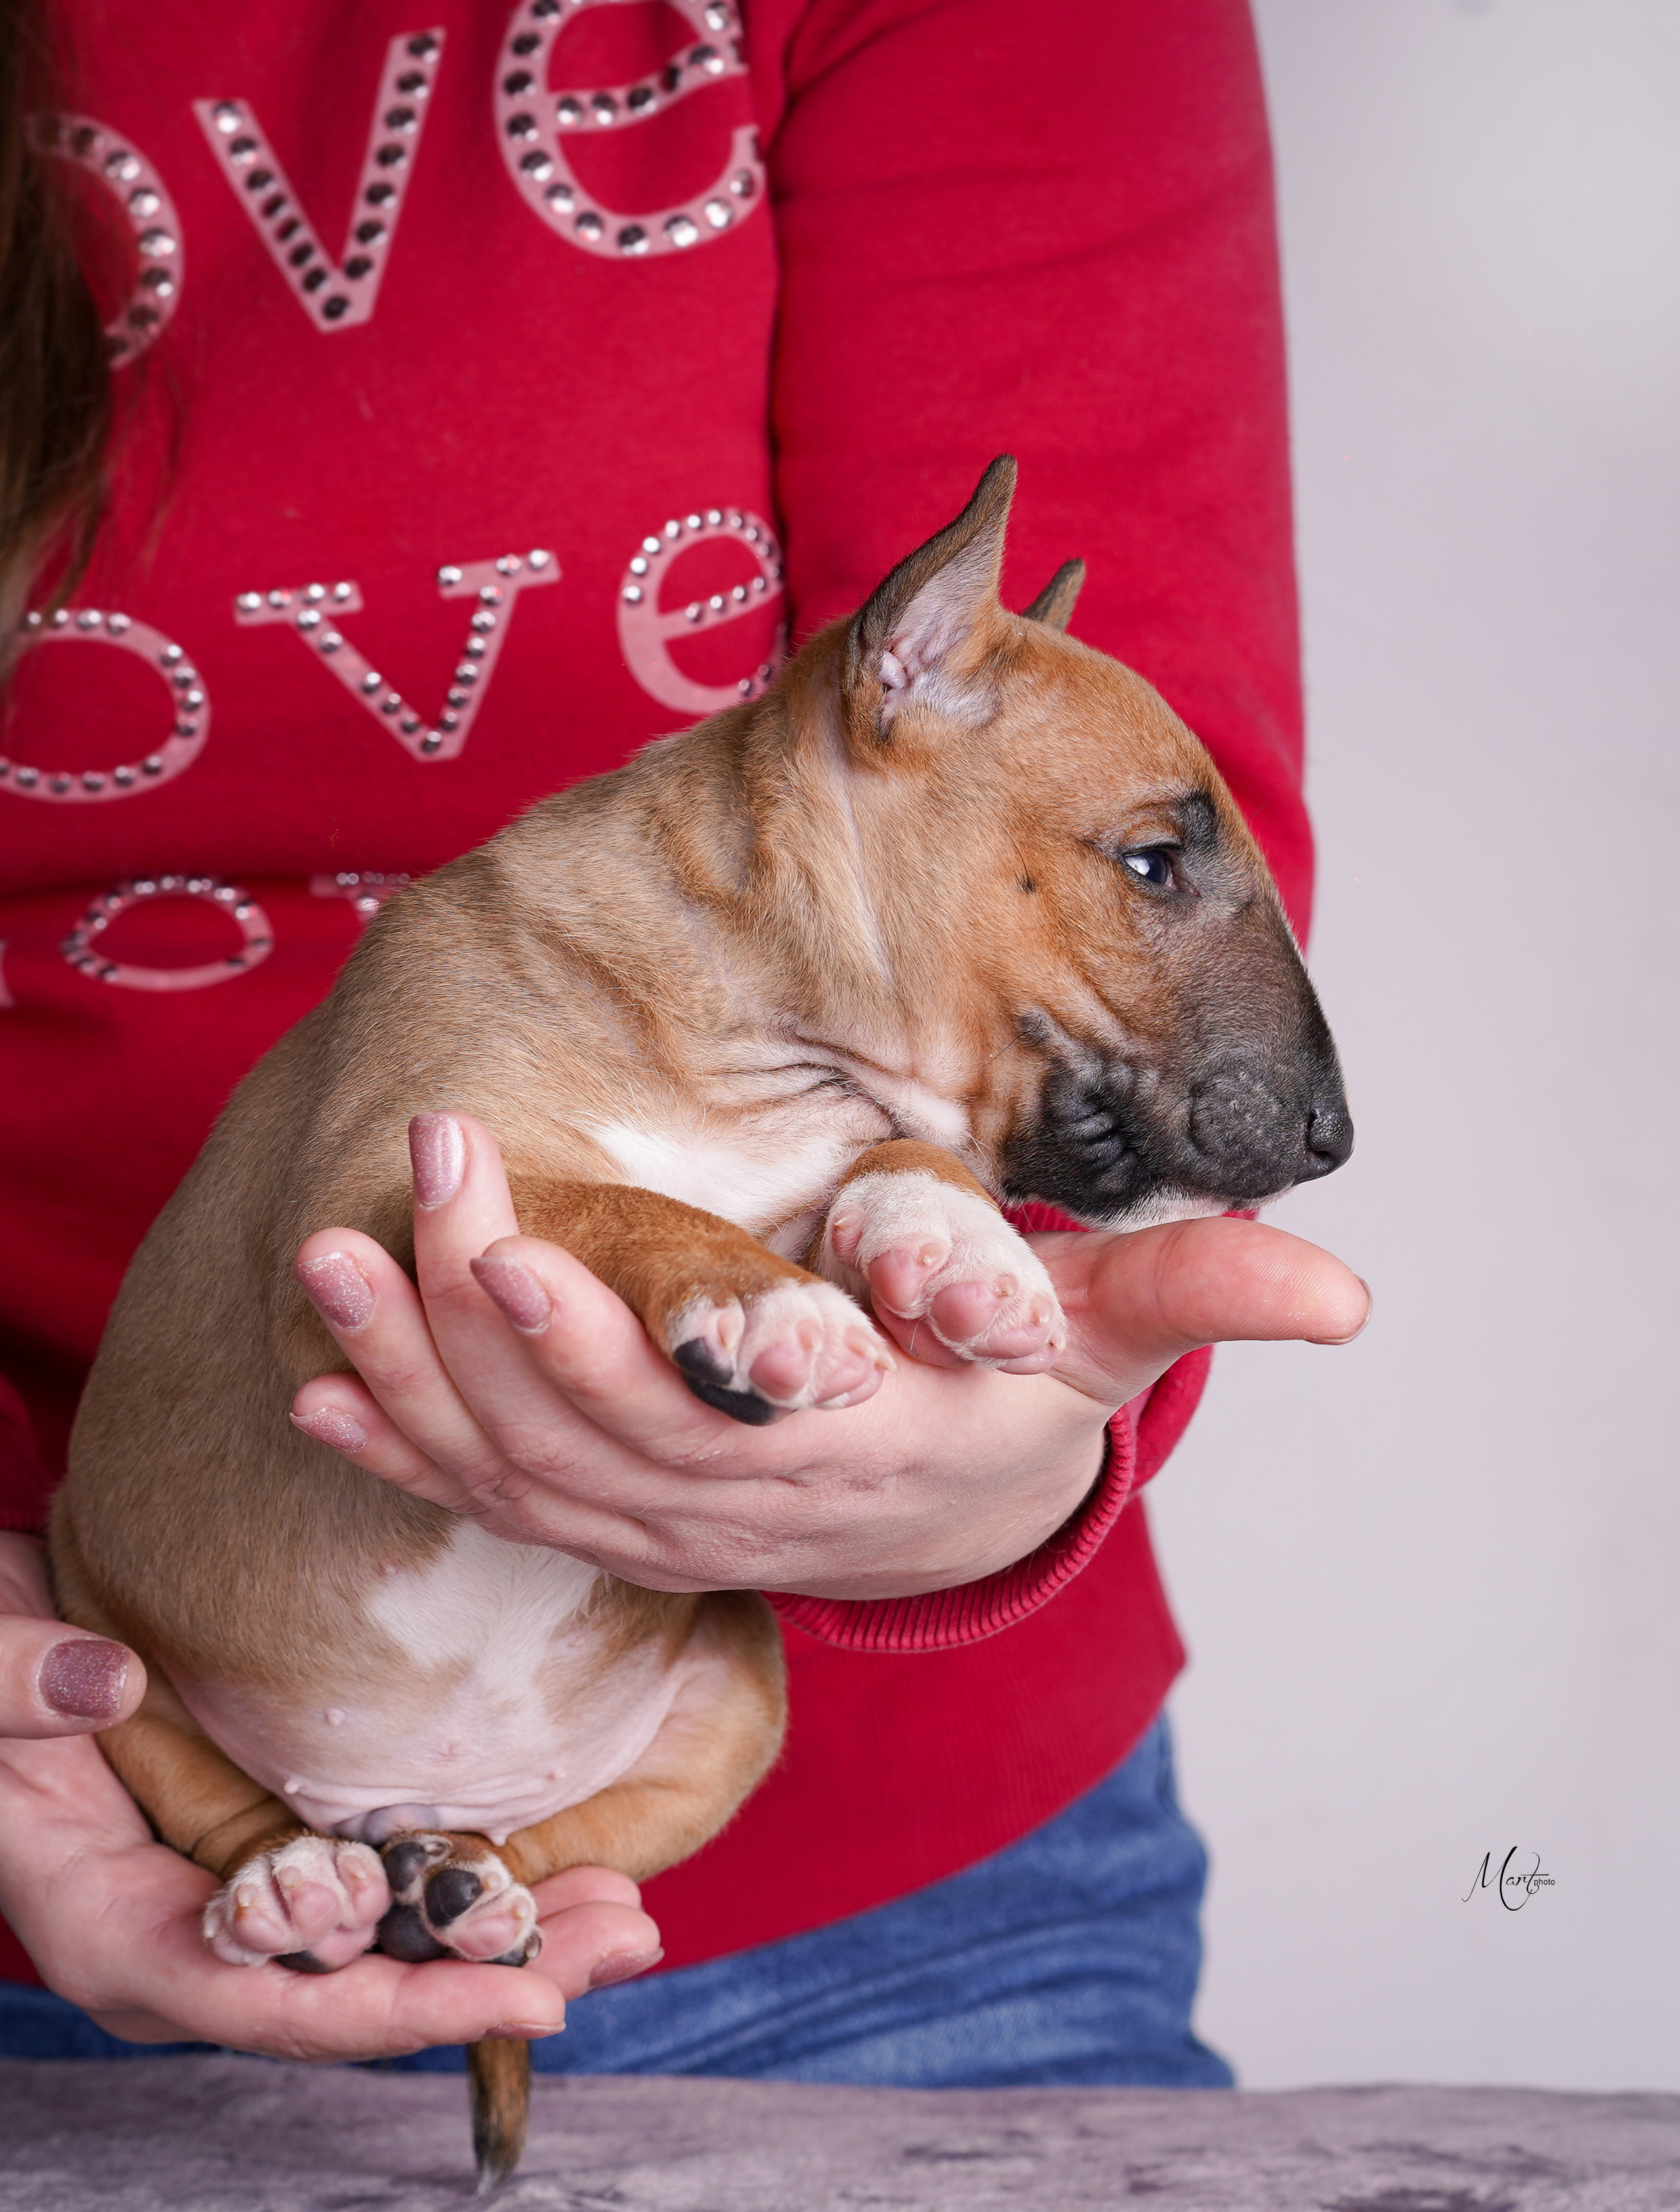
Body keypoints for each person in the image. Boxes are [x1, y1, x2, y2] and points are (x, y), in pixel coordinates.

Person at [0, 0, 1366, 2079]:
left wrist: (1005, 1414)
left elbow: (1092, 806)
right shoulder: (485, 960)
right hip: (105, 1706)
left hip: (883, 1878)